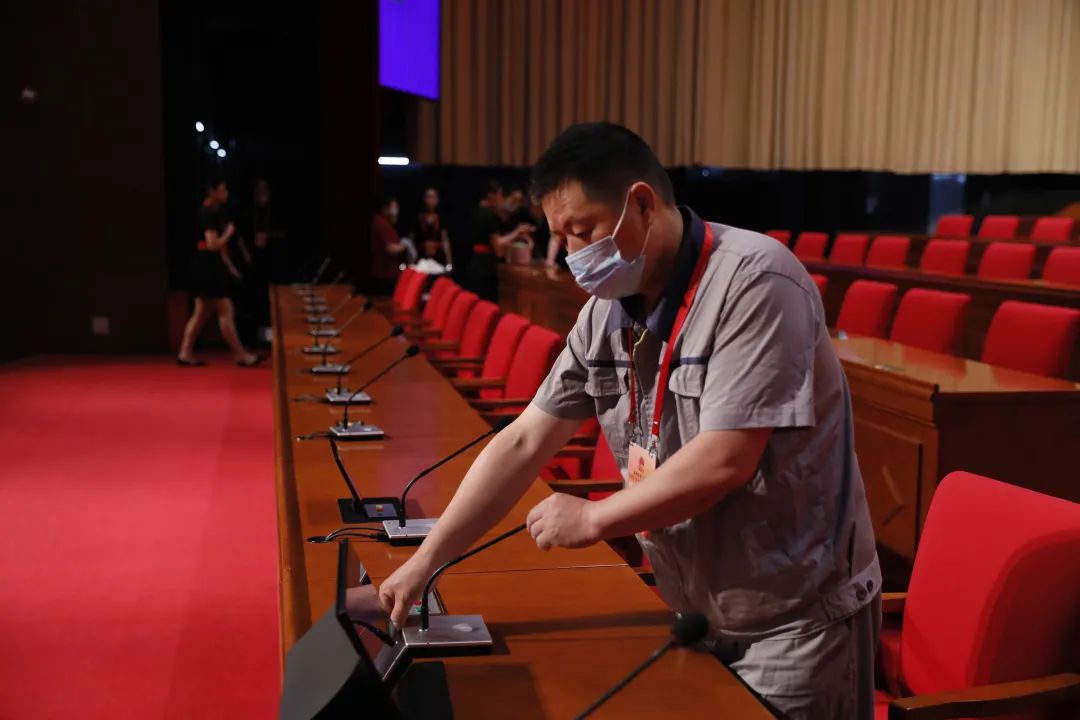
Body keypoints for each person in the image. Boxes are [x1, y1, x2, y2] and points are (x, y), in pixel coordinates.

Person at [378, 123, 881, 719]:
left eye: (583, 231)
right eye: (560, 237)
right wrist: (426, 561)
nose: (572, 254)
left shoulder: (756, 282)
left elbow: (726, 458)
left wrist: (593, 516)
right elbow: (524, 440)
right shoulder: (605, 313)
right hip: (692, 609)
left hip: (792, 625)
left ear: (641, 203)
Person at [177, 177, 263, 367]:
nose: (226, 193)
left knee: (201, 314)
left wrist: (230, 268)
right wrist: (229, 233)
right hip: (206, 268)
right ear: (212, 191)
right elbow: (213, 244)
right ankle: (240, 355)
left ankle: (185, 353)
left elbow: (221, 251)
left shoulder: (216, 212)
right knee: (225, 311)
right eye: (222, 190)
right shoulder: (207, 212)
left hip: (210, 266)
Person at [464, 180, 533, 300]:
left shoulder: (476, 212)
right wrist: (516, 233)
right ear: (491, 195)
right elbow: (497, 245)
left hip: (474, 263)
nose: (501, 199)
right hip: (486, 267)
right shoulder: (490, 216)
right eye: (499, 195)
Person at [370, 194, 407, 296]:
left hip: (387, 273)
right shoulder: (381, 223)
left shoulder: (386, 223)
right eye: (394, 207)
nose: (396, 210)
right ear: (385, 209)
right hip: (384, 274)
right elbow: (390, 248)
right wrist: (405, 246)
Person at [414, 187, 451, 266]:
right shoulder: (418, 218)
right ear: (424, 199)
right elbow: (412, 240)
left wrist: (449, 261)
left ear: (437, 200)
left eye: (434, 197)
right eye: (429, 197)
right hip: (421, 259)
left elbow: (445, 240)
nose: (431, 200)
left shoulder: (441, 218)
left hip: (438, 259)